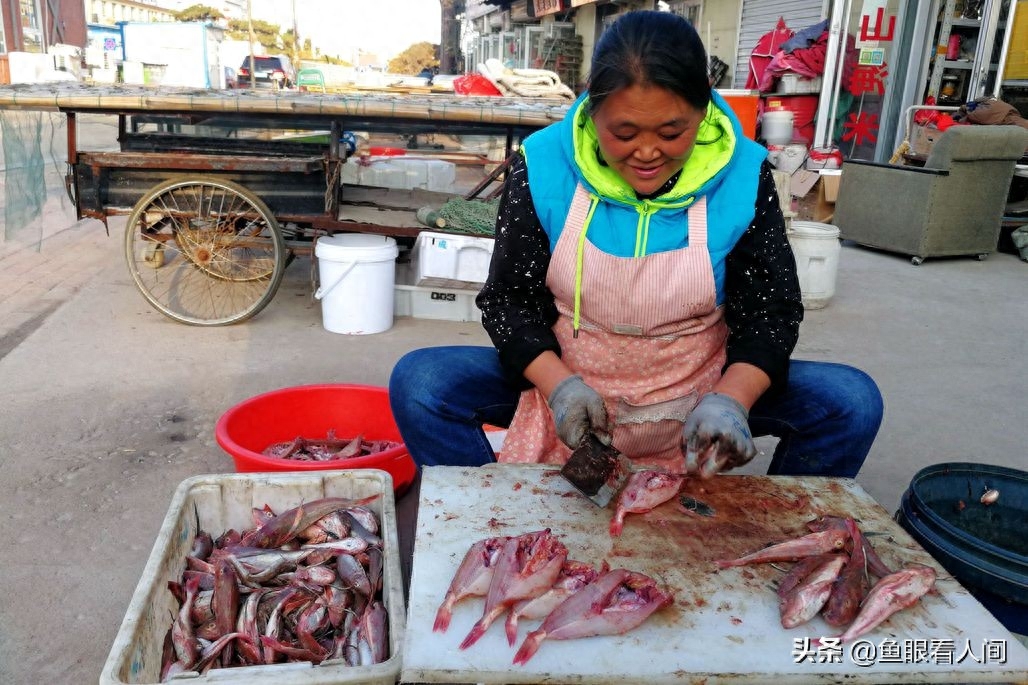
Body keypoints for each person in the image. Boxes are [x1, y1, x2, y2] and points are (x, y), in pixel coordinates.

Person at [390, 10, 882, 480]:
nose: (647, 153)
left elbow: (771, 312)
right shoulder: (542, 165)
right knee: (423, 384)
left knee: (850, 401)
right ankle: (490, 520)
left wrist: (731, 398)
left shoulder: (745, 173)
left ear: (704, 109)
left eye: (673, 132)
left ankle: (778, 532)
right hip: (571, 381)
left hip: (698, 389)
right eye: (623, 133)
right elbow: (508, 301)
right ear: (591, 110)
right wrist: (560, 388)